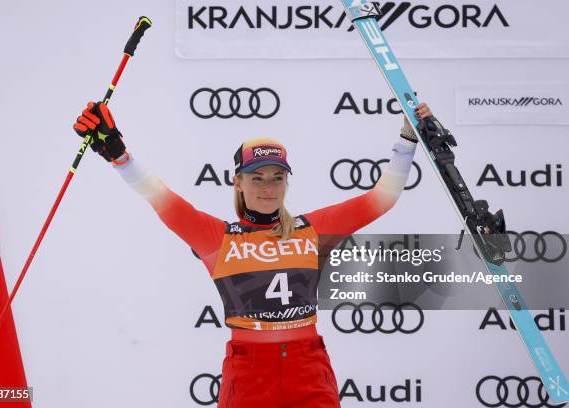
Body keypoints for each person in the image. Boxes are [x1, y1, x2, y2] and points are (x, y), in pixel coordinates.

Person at [73, 100, 433, 407]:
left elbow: (382, 198)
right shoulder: (217, 238)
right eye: (256, 177)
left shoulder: (313, 231)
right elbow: (159, 197)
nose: (267, 187)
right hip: (249, 375)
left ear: (287, 182)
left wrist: (407, 139)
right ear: (238, 182)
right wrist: (118, 154)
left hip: (309, 369)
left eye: (277, 177)